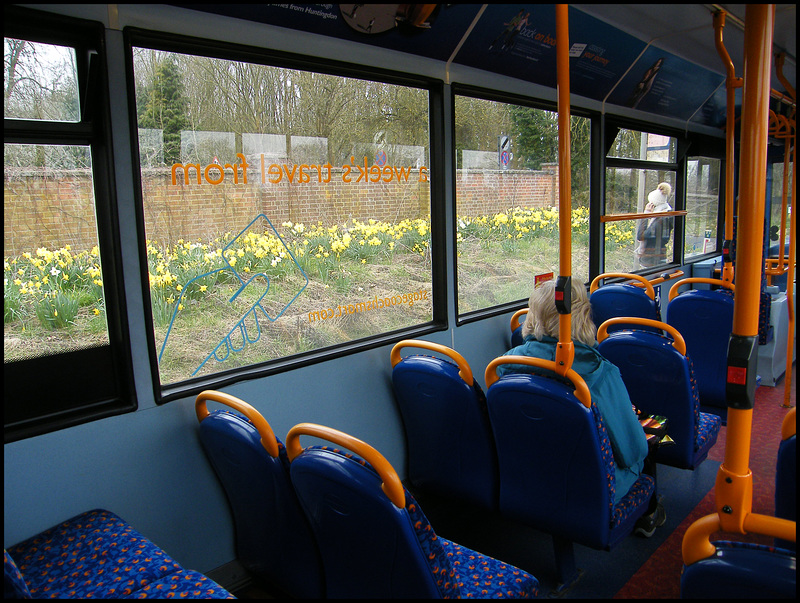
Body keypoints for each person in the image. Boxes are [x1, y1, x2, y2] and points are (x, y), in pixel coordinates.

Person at [497, 279, 665, 536]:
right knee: (648, 437)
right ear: (584, 316)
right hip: (590, 485)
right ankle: (649, 514)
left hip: (529, 472)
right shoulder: (598, 373)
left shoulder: (505, 365)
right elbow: (633, 450)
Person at [636, 182, 674, 268]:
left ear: (654, 205)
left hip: (651, 260)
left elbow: (640, 236)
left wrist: (646, 215)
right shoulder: (667, 215)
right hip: (659, 257)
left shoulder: (660, 220)